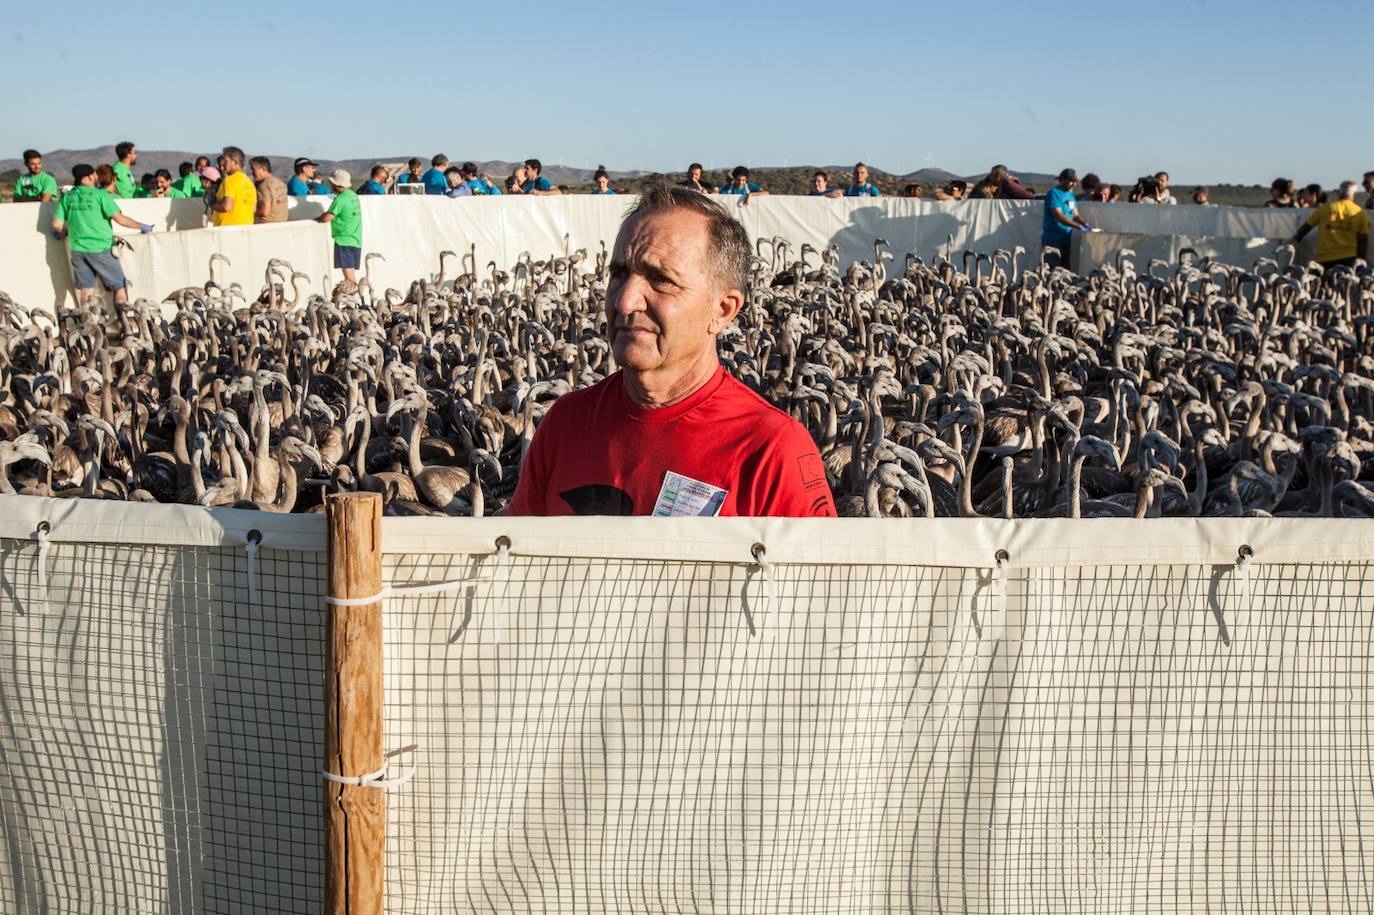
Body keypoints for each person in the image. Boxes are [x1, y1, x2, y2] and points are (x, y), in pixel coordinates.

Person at [508, 186, 836, 517]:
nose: (624, 301)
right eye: (619, 274)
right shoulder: (565, 425)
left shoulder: (771, 451)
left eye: (661, 280)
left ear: (722, 310)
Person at [51, 163, 153, 308]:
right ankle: (123, 323)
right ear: (86, 178)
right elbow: (119, 218)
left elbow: (56, 224)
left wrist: (63, 232)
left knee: (87, 291)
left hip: (77, 250)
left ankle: (88, 325)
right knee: (120, 286)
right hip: (100, 248)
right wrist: (141, 226)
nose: (95, 177)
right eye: (93, 174)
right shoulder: (100, 195)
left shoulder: (67, 197)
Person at [1292, 181, 1370, 269]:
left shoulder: (1325, 208)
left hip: (1325, 258)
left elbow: (1306, 227)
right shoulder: (1358, 212)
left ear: (1339, 192)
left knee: (1326, 282)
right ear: (1354, 194)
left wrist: (1295, 241)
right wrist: (1361, 260)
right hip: (1349, 258)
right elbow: (1363, 239)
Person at [317, 170, 362, 285]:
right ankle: (355, 297)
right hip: (355, 239)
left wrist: (320, 217)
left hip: (344, 240)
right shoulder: (353, 195)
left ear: (337, 184)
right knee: (351, 273)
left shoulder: (340, 199)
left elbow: (327, 217)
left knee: (348, 276)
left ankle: (353, 297)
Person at [1041, 168, 1093, 269]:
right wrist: (1078, 226)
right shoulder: (1053, 193)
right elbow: (1059, 216)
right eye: (1071, 181)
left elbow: (1075, 214)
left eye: (1075, 182)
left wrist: (1083, 223)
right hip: (1053, 241)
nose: (1073, 184)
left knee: (1064, 272)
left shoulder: (1071, 194)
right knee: (1051, 271)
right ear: (1062, 180)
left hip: (1066, 240)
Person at [210, 147, 256, 227]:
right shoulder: (249, 182)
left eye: (225, 160)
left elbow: (226, 206)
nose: (222, 163)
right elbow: (253, 209)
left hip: (227, 231)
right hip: (246, 230)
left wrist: (212, 203)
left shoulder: (230, 180)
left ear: (235, 162)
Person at [250, 157, 288, 223]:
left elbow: (264, 212)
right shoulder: (281, 184)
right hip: (282, 223)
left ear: (264, 169)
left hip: (266, 225)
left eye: (254, 170)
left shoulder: (264, 186)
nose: (252, 173)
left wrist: (251, 213)